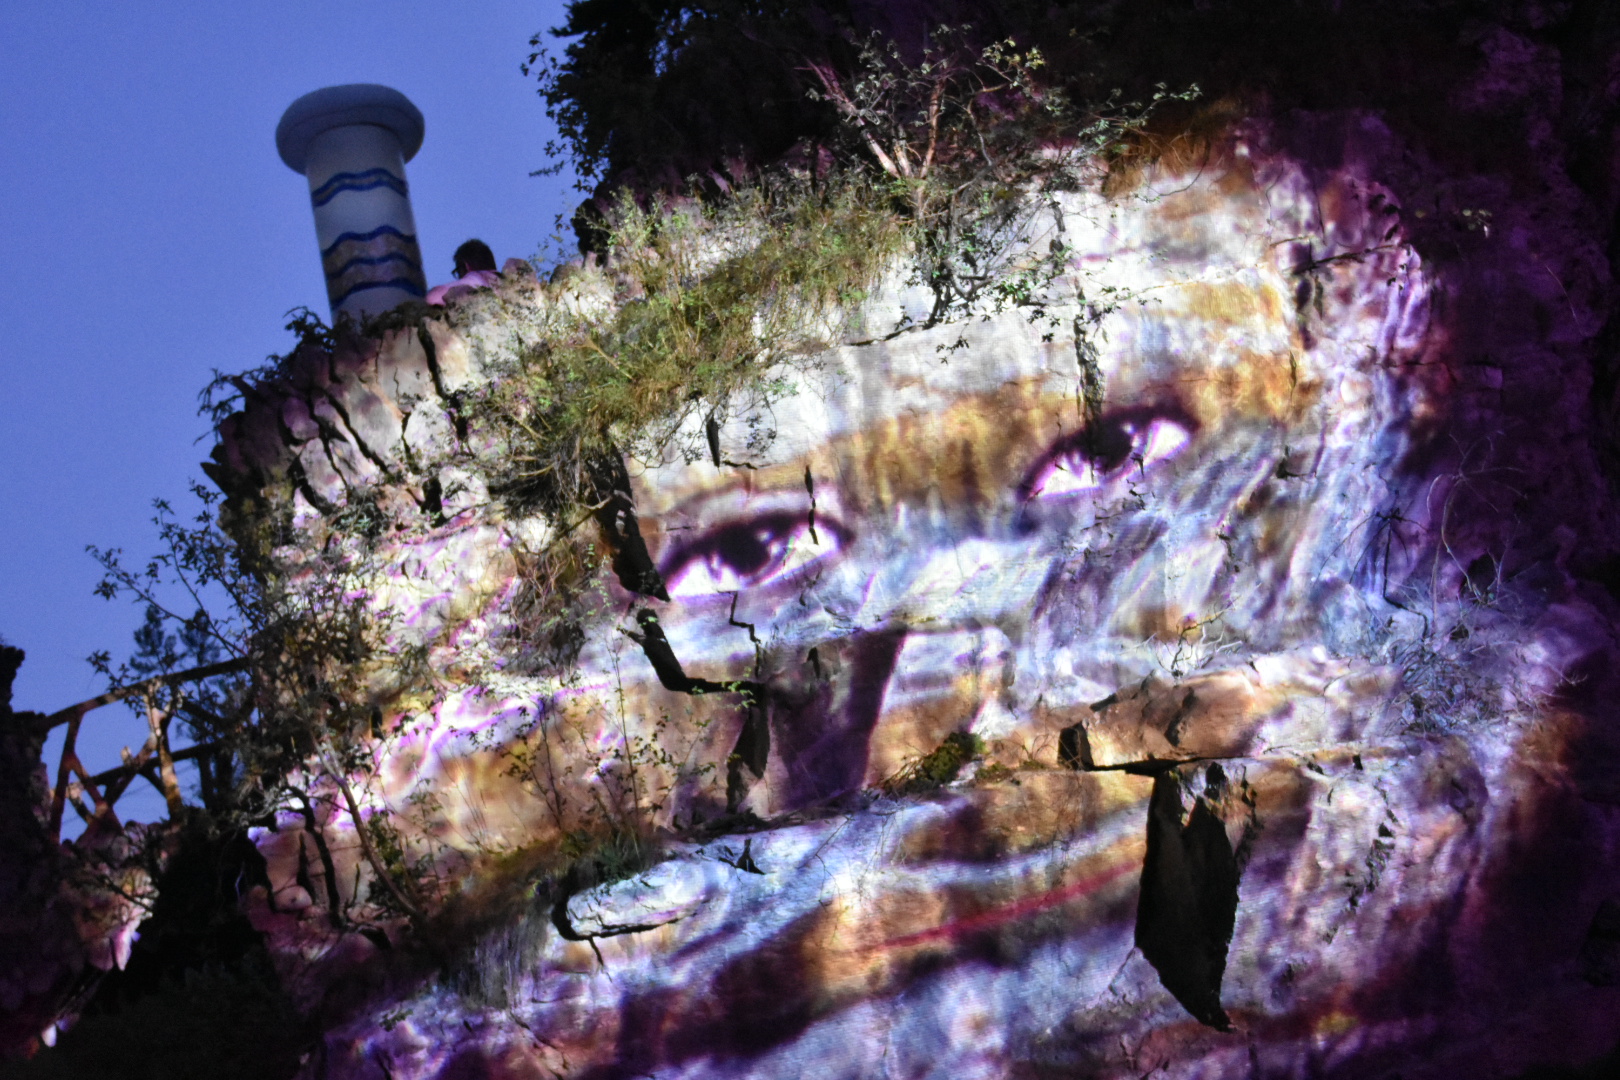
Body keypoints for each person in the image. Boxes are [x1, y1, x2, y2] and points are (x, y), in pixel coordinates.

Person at [424, 238, 501, 305]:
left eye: (458, 272)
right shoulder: (502, 280)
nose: (460, 277)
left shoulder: (476, 276)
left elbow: (432, 298)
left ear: (466, 266)